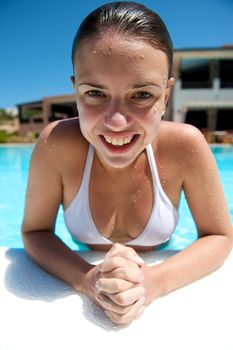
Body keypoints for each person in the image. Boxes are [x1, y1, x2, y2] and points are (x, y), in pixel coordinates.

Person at [22, 1, 233, 325]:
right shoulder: (56, 146)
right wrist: (87, 279)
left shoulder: (185, 146)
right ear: (75, 90)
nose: (116, 121)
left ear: (165, 96)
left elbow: (220, 236)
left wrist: (154, 282)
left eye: (142, 95)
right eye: (95, 93)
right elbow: (35, 232)